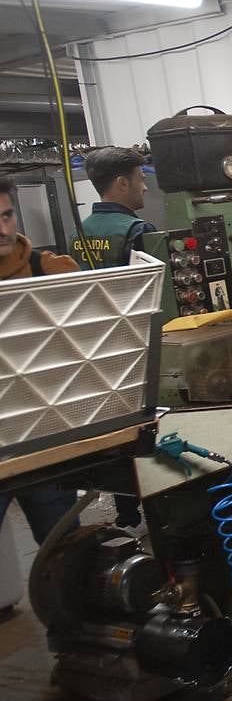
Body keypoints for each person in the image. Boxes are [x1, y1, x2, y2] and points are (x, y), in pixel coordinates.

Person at [72, 146, 156, 532]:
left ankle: (124, 515)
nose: (144, 189)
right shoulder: (138, 232)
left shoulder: (80, 234)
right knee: (143, 433)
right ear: (121, 183)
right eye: (140, 180)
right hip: (134, 347)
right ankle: (156, 507)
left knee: (112, 435)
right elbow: (158, 295)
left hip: (93, 350)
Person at [0, 176, 81, 542]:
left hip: (43, 436)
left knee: (65, 555)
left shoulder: (49, 270)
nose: (3, 229)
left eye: (7, 216)